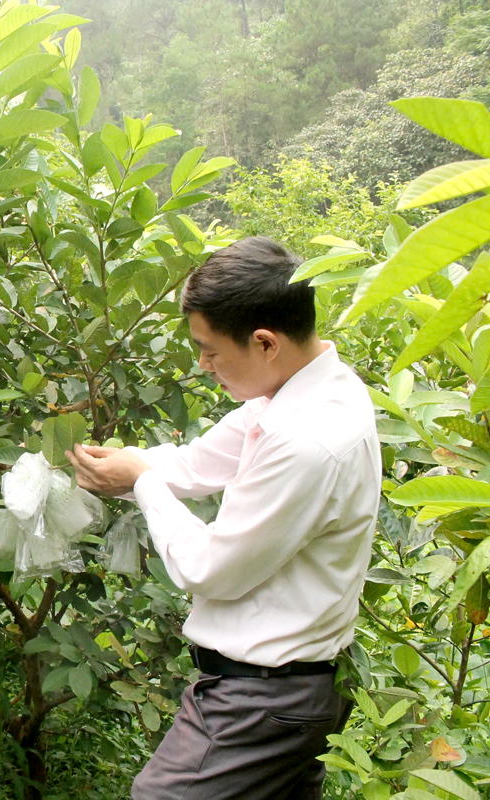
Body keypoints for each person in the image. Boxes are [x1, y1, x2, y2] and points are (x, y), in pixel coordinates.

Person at [66, 237, 380, 800]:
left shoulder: (307, 439)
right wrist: (129, 466)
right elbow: (193, 464)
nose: (205, 367)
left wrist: (140, 482)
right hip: (285, 694)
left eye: (210, 351)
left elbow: (210, 569)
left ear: (264, 342)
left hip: (264, 701)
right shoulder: (301, 391)